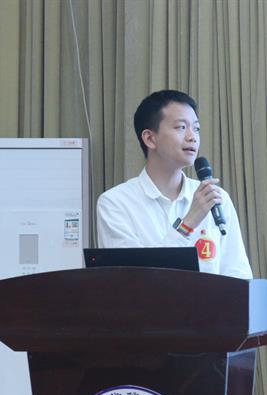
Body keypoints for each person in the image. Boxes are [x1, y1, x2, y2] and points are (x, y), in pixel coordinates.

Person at [96, 90, 253, 279]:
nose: (192, 137)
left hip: (211, 300)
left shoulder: (216, 198)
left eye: (196, 128)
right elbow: (132, 279)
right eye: (181, 127)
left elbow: (238, 273)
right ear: (150, 138)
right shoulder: (115, 203)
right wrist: (187, 224)